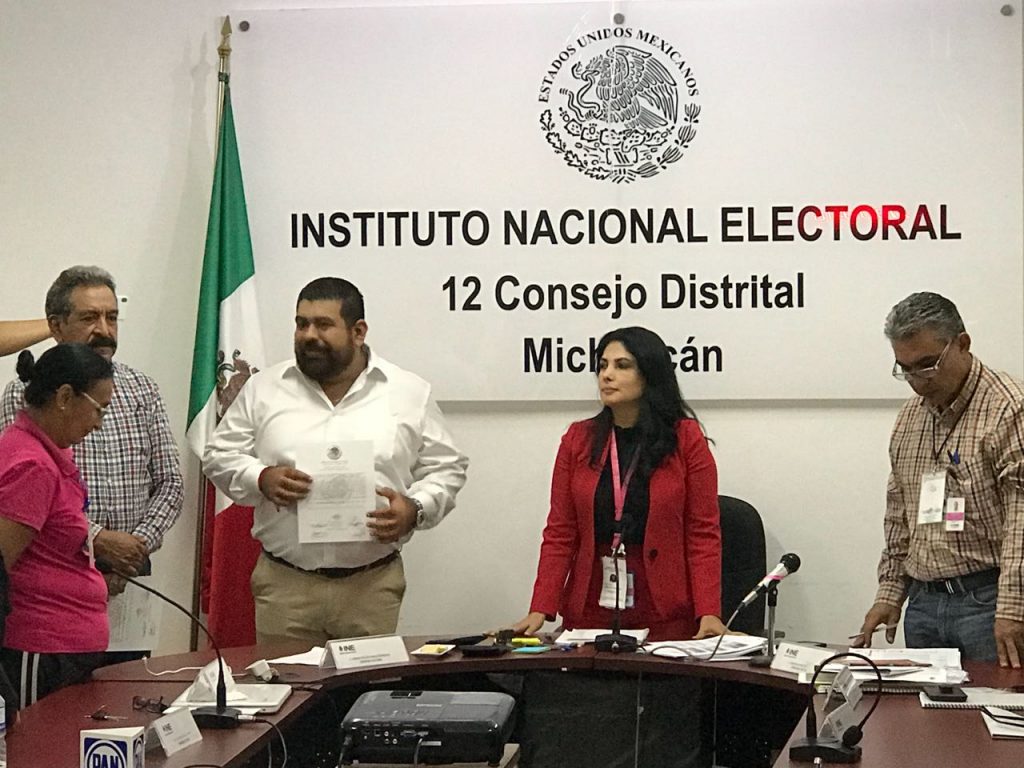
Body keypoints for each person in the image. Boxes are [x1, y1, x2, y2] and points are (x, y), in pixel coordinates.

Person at [203, 277, 468, 644]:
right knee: (289, 683)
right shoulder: (263, 389)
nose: (309, 335)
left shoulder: (408, 392)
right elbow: (218, 455)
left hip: (371, 588)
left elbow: (447, 467)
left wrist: (416, 508)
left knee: (366, 685)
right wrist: (260, 478)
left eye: (323, 325)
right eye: (301, 324)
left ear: (358, 332)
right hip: (285, 586)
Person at [513, 326, 727, 642]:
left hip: (663, 606)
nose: (607, 375)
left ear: (650, 374)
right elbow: (560, 531)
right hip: (591, 602)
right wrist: (540, 608)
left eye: (621, 366)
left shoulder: (686, 439)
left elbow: (702, 532)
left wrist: (709, 611)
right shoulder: (578, 439)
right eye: (602, 366)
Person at [856, 292, 1024, 667]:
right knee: (923, 707)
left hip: (990, 602)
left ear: (962, 343)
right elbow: (899, 516)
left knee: (996, 704)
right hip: (924, 604)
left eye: (927, 365)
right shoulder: (909, 418)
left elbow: (1021, 521)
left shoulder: (1010, 408)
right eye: (905, 369)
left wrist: (1014, 608)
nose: (917, 381)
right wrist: (889, 592)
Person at [0, 267, 184, 607]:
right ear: (56, 327)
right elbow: (19, 501)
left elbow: (170, 482)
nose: (104, 330)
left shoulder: (142, 388)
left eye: (111, 317)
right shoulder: (28, 394)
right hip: (54, 583)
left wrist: (133, 548)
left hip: (131, 577)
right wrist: (98, 541)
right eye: (89, 318)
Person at [0, 344, 112, 708]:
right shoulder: (31, 465)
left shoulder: (51, 451)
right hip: (39, 648)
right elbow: (0, 566)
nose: (98, 423)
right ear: (64, 397)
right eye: (99, 409)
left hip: (65, 647)